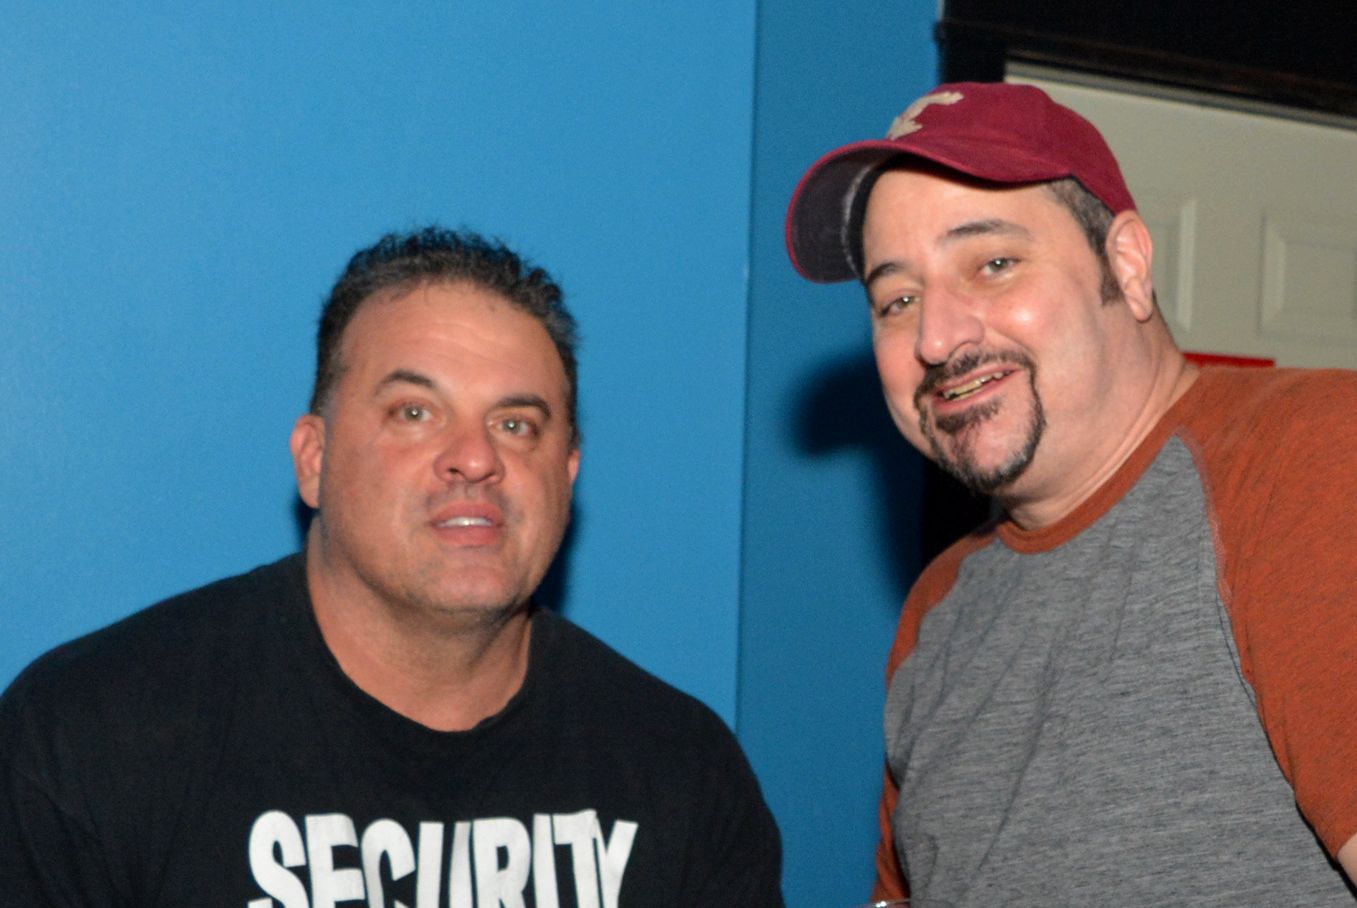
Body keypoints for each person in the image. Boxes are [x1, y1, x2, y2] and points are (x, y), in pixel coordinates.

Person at [0, 227, 783, 906]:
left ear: (568, 472)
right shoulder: (90, 738)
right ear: (314, 459)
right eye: (414, 413)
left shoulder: (679, 772)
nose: (474, 457)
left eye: (516, 424)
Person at [785, 81, 1357, 904]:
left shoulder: (1307, 454)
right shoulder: (941, 606)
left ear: (1126, 264)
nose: (936, 337)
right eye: (897, 299)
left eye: (992, 264)